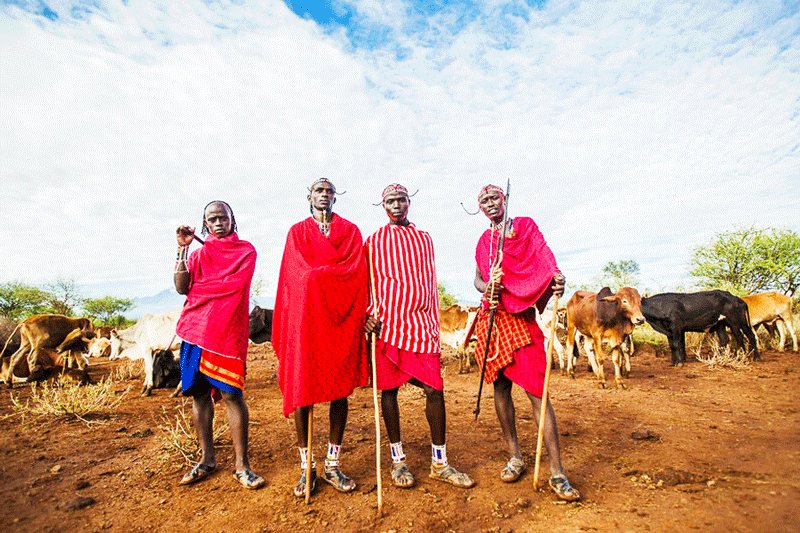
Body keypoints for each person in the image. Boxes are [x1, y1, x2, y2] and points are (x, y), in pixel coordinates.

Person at [472, 184, 580, 501]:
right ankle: (515, 457)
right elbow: (477, 278)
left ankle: (558, 472)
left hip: (523, 319)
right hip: (494, 318)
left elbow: (545, 259)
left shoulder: (527, 227)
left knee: (538, 392)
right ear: (479, 207)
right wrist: (487, 284)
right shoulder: (483, 242)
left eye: (494, 198)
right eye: (484, 201)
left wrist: (557, 277)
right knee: (501, 388)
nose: (490, 204)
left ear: (504, 199)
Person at [365, 184, 475, 489]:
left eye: (401, 199)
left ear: (409, 202)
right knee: (388, 392)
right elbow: (366, 282)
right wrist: (366, 315)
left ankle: (440, 463)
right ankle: (398, 462)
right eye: (390, 200)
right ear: (382, 204)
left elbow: (427, 281)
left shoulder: (424, 239)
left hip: (421, 326)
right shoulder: (373, 242)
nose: (396, 204)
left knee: (434, 389)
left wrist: (431, 319)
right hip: (387, 326)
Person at [272, 178, 369, 497]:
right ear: (309, 197)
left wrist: (325, 280)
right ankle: (306, 467)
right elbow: (294, 276)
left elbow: (357, 273)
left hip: (341, 321)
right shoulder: (297, 233)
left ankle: (332, 463)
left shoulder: (351, 232)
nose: (324, 195)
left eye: (329, 191)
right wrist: (320, 278)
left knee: (339, 392)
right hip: (306, 323)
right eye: (318, 191)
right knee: (303, 391)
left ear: (335, 198)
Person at [174, 200, 265, 489]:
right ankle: (206, 459)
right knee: (199, 395)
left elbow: (234, 287)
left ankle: (242, 465)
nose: (217, 223)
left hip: (226, 333)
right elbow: (181, 288)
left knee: (231, 396)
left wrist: (200, 289)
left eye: (222, 218)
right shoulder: (198, 255)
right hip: (194, 331)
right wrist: (183, 248)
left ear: (232, 220)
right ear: (205, 224)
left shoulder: (245, 251)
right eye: (211, 219)